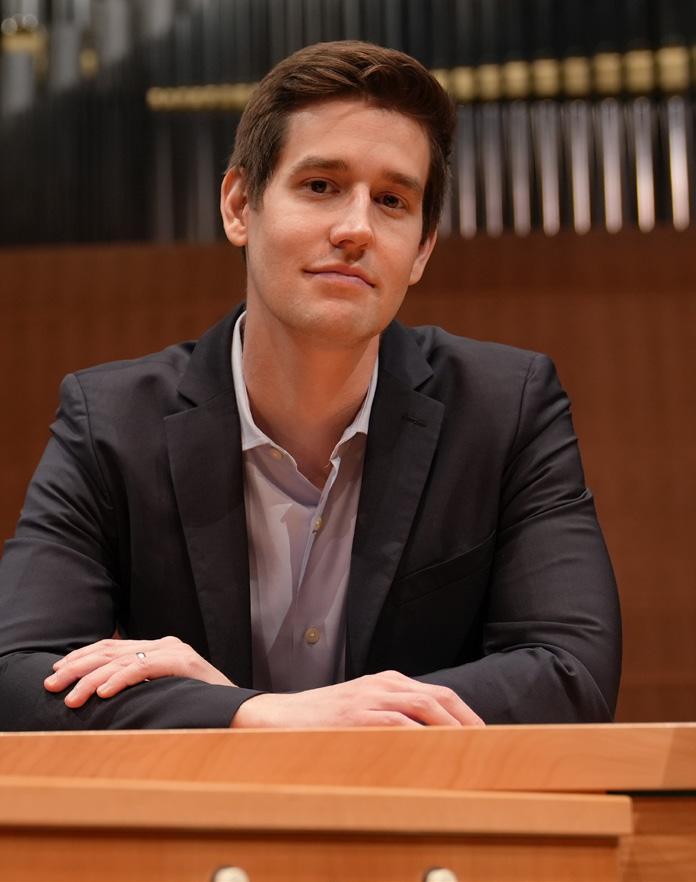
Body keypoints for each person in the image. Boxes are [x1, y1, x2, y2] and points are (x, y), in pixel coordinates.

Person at [0, 41, 621, 730]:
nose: (355, 229)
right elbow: (16, 674)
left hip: (413, 803)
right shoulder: (111, 424)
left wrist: (291, 722)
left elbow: (572, 674)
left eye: (391, 200)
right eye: (321, 185)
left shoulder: (507, 409)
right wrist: (252, 716)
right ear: (241, 205)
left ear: (421, 249)